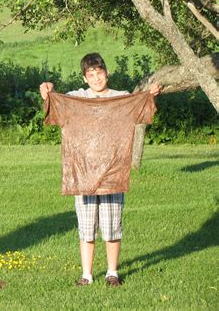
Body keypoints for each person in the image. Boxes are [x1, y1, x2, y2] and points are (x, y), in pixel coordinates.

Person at [39, 53, 161, 287]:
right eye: (90, 74)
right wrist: (48, 90)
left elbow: (142, 108)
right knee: (86, 228)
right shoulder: (78, 98)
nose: (96, 78)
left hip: (113, 172)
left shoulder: (121, 98)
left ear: (107, 73)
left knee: (112, 225)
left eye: (99, 72)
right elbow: (56, 102)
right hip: (83, 173)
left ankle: (112, 273)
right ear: (85, 78)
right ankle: (87, 275)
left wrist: (151, 95)